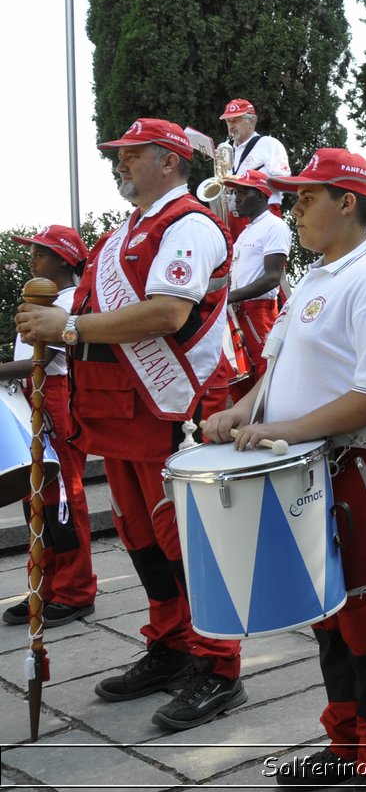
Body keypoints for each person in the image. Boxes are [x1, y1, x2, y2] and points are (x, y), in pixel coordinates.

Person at [203, 149, 366, 788]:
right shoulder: (316, 275)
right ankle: (349, 743)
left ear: (348, 202)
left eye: (307, 198)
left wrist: (280, 429)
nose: (294, 208)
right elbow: (275, 368)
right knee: (329, 610)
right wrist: (243, 409)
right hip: (319, 466)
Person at [15, 118, 243, 729]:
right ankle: (170, 645)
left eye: (132, 154)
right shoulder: (124, 234)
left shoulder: (190, 224)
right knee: (142, 541)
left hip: (170, 406)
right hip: (118, 411)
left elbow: (167, 313)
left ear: (169, 161)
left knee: (186, 543)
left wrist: (64, 329)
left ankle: (218, 666)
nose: (120, 164)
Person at [2, 226, 97, 628]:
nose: (32, 259)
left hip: (57, 396)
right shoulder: (41, 298)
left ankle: (76, 591)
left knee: (62, 494)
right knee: (32, 493)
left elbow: (50, 357)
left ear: (62, 259)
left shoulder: (71, 302)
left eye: (40, 253)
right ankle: (44, 585)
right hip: (33, 397)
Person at [222, 169, 290, 396]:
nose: (235, 199)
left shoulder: (275, 226)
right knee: (238, 374)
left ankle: (262, 429)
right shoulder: (246, 232)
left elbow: (272, 278)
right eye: (235, 193)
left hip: (259, 313)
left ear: (261, 195)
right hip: (238, 310)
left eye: (242, 192)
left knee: (264, 376)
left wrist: (228, 297)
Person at [218, 98, 291, 238]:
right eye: (228, 121)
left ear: (251, 121)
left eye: (236, 120)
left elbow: (283, 182)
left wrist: (242, 181)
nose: (231, 126)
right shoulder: (226, 150)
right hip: (232, 218)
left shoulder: (269, 144)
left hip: (262, 215)